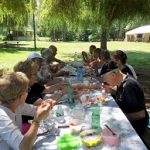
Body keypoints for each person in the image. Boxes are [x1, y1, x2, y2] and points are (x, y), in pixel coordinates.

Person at [0, 72, 55, 150]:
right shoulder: (2, 117)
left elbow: (36, 111)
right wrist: (36, 121)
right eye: (27, 90)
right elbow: (24, 148)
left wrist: (47, 105)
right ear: (21, 95)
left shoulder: (17, 104)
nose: (28, 93)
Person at [99, 61, 149, 135]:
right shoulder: (122, 81)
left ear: (113, 75)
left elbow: (141, 114)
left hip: (135, 125)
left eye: (105, 78)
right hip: (126, 120)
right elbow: (124, 96)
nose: (104, 81)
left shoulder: (129, 86)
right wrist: (112, 91)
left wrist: (118, 117)